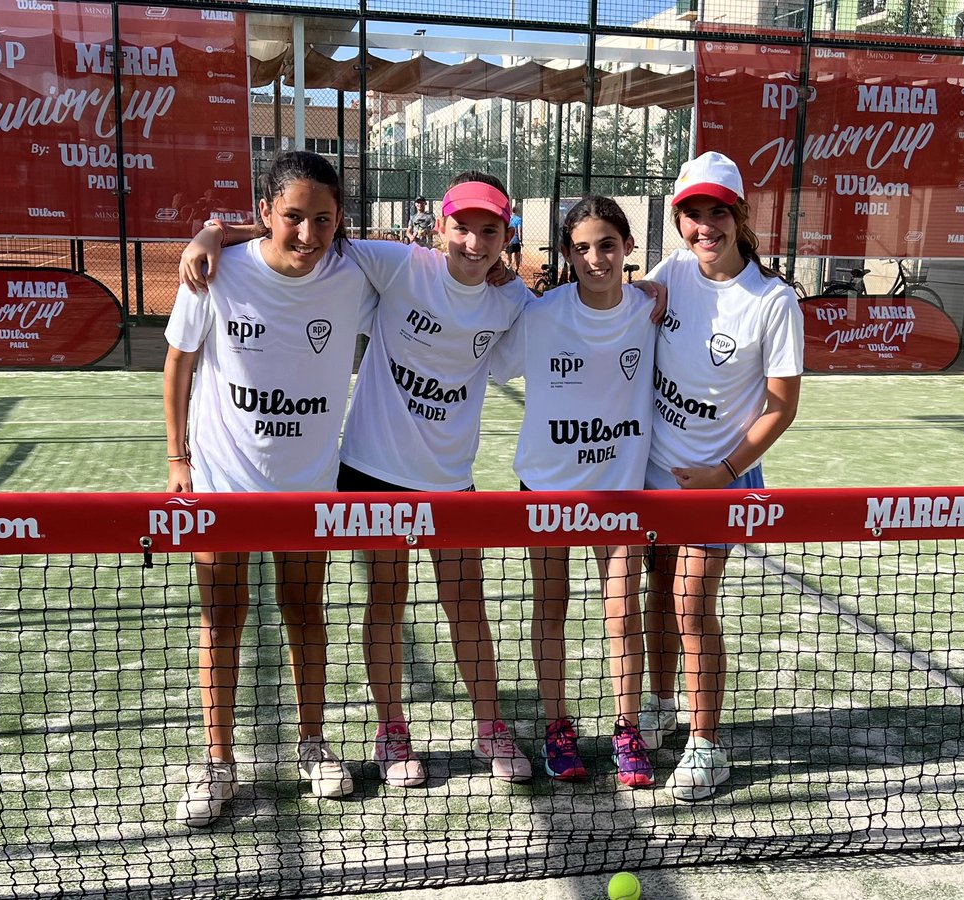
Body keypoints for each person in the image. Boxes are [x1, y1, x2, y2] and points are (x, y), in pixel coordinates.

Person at [180, 172, 536, 787]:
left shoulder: (514, 301)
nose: (474, 243)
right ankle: (391, 732)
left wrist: (643, 295)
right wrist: (215, 231)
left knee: (467, 605)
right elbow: (305, 230)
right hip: (372, 472)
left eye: (490, 231)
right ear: (439, 228)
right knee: (385, 602)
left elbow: (571, 315)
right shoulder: (395, 264)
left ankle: (490, 727)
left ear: (507, 237)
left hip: (451, 481)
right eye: (462, 227)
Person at [164, 151, 378, 827]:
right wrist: (178, 457)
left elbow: (437, 274)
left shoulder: (354, 276)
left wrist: (495, 269)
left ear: (340, 220)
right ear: (265, 213)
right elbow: (178, 363)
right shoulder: (216, 272)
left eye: (324, 219)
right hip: (221, 485)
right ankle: (218, 762)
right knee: (222, 618)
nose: (308, 234)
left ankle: (313, 745)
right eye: (293, 217)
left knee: (304, 611)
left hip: (308, 489)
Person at [639, 151, 804, 801]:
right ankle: (659, 706)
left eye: (717, 212)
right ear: (678, 220)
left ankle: (706, 746)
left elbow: (781, 407)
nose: (704, 226)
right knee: (658, 594)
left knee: (691, 603)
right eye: (692, 214)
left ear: (739, 215)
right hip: (654, 474)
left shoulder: (773, 300)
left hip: (721, 482)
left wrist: (723, 471)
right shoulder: (672, 272)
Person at [489, 196, 657, 787]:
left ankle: (628, 731)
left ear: (628, 247)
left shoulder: (651, 309)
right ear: (566, 253)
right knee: (551, 606)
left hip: (621, 492)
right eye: (582, 248)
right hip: (548, 488)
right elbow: (489, 362)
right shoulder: (541, 316)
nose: (595, 259)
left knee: (622, 611)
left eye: (607, 245)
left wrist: (657, 289)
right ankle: (557, 729)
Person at [505, 204, 523, 272]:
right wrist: (520, 240)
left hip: (509, 240)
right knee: (517, 256)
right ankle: (516, 269)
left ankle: (508, 268)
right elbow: (519, 230)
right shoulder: (518, 219)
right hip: (516, 240)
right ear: (517, 211)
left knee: (508, 256)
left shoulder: (508, 219)